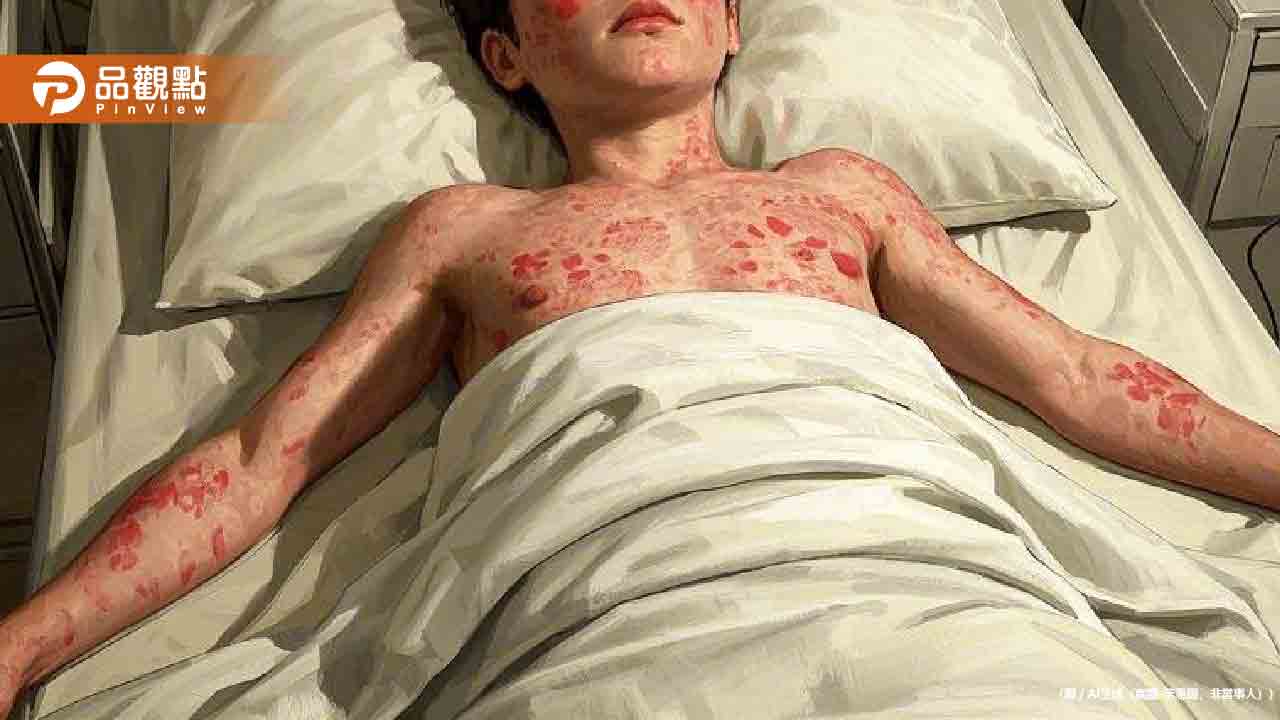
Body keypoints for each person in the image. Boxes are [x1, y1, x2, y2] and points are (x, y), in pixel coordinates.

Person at [2, 0, 1278, 716]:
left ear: (729, 31)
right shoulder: (461, 227)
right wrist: (23, 644)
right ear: (504, 55)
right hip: (607, 592)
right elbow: (261, 455)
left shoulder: (841, 190)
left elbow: (1074, 375)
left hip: (905, 561)